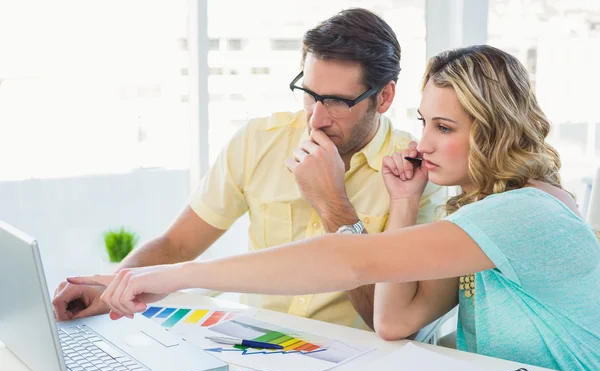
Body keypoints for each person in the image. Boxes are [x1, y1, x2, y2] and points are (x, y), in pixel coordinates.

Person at [68, 45, 600, 371]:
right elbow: (396, 322)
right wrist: (404, 202)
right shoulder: (478, 213)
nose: (425, 143)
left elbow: (350, 260)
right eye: (425, 123)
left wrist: (165, 277)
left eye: (445, 128)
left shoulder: (524, 214)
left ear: (493, 130)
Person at [52, 8, 447, 332]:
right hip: (254, 343)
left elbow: (391, 322)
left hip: (359, 358)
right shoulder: (260, 140)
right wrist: (110, 288)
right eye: (309, 95)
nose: (316, 119)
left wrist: (332, 204)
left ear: (385, 97)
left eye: (336, 102)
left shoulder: (416, 175)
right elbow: (176, 246)